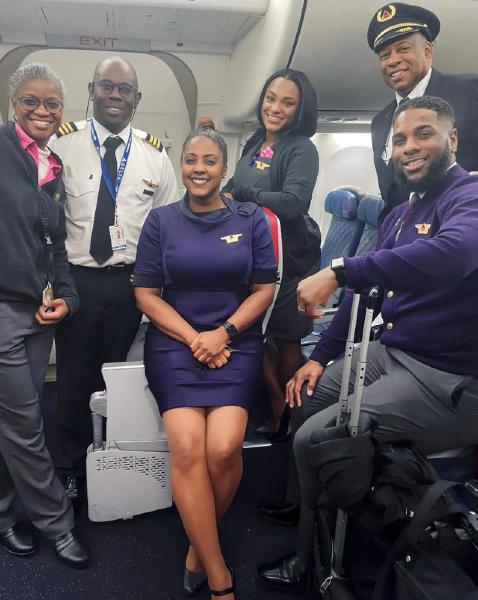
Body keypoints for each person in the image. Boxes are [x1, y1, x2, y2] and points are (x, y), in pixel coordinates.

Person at [257, 95, 478, 592]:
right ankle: (306, 509)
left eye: (424, 134)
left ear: (452, 140)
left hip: (448, 380)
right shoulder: (402, 211)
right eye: (399, 139)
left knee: (319, 439)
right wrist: (318, 357)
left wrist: (337, 270)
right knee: (304, 395)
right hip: (394, 353)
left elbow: (453, 255)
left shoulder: (469, 196)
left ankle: (312, 564)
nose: (409, 147)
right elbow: (364, 294)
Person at [133, 127, 277, 600]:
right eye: (191, 160)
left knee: (224, 448)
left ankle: (198, 544)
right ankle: (218, 575)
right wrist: (196, 337)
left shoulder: (251, 219)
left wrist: (224, 334)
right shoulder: (161, 221)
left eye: (210, 161)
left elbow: (264, 290)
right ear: (182, 165)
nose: (199, 169)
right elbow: (145, 294)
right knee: (190, 447)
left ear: (223, 165)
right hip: (176, 345)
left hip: (235, 343)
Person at [50, 56, 178, 501]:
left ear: (137, 98)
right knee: (73, 377)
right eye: (107, 86)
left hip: (130, 285)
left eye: (124, 90)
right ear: (92, 90)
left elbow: (166, 229)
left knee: (119, 378)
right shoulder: (61, 146)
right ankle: (68, 465)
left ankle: (112, 459)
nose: (115, 96)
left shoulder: (156, 156)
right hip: (76, 280)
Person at [0, 62, 90, 568]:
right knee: (26, 425)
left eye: (52, 103)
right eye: (31, 101)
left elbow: (54, 249)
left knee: (13, 423)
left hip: (38, 316)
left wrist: (70, 298)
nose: (42, 110)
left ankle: (3, 515)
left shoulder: (50, 166)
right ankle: (58, 523)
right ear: (14, 105)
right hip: (2, 312)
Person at [222, 68, 320, 441]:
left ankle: (295, 417)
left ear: (299, 109)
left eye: (287, 102)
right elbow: (233, 186)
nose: (275, 108)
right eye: (270, 98)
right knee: (252, 337)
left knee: (286, 339)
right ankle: (278, 403)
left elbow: (293, 203)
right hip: (256, 258)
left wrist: (244, 196)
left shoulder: (301, 149)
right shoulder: (254, 143)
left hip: (290, 260)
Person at [368, 2, 478, 217]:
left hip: (458, 229)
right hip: (400, 239)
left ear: (427, 51)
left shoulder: (470, 92)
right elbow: (391, 197)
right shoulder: (380, 121)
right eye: (384, 55)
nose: (393, 60)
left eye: (403, 49)